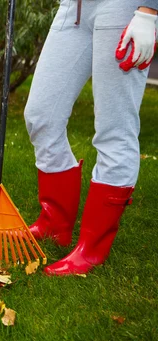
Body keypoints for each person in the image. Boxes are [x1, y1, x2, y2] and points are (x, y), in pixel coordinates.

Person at [24, 0, 157, 276]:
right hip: (74, 7)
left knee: (114, 128)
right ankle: (54, 224)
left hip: (125, 6)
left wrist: (149, 10)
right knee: (41, 116)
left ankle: (91, 248)